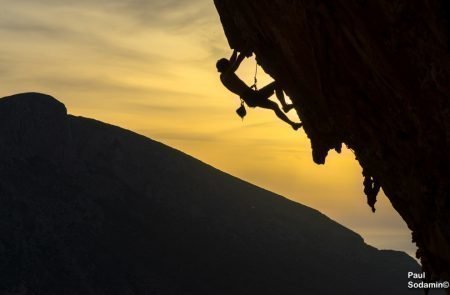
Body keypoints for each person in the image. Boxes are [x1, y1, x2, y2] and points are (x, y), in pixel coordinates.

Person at [216, 49, 303, 130]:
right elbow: (238, 60)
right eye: (228, 65)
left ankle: (291, 120)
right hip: (251, 96)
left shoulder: (223, 76)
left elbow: (232, 61)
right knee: (276, 94)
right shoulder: (227, 75)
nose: (230, 65)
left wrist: (235, 50)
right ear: (226, 67)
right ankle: (287, 111)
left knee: (275, 100)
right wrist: (246, 48)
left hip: (250, 98)